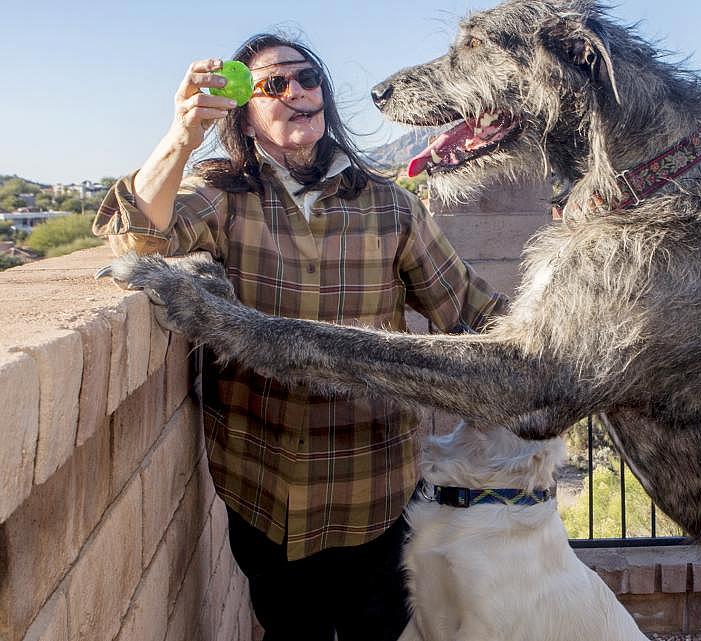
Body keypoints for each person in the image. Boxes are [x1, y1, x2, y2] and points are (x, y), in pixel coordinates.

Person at [94, 33, 507, 641]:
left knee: (380, 630)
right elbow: (135, 235)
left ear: (325, 94)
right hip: (265, 490)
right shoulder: (224, 200)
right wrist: (182, 136)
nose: (296, 92)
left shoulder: (392, 208)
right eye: (272, 85)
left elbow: (472, 313)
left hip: (377, 491)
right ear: (244, 111)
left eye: (306, 77)